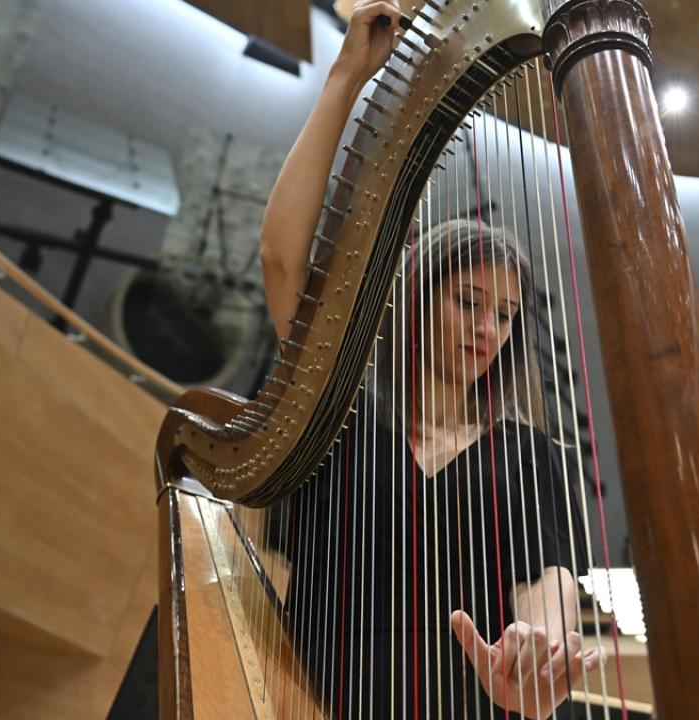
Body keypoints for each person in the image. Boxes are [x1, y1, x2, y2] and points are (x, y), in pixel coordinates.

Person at [260, 2, 601, 717]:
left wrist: (543, 645)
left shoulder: (528, 452)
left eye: (505, 315)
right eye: (468, 300)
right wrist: (348, 76)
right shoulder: (336, 416)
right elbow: (282, 260)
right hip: (317, 697)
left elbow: (548, 579)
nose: (487, 328)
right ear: (416, 300)